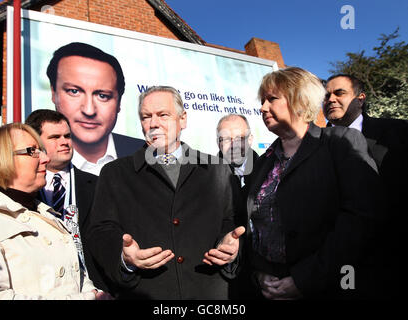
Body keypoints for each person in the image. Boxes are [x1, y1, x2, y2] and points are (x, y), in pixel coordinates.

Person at [85, 86, 245, 299]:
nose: (153, 124)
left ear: (183, 119)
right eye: (146, 117)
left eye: (163, 115)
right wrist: (124, 258)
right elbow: (101, 230)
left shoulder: (218, 169)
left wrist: (232, 248)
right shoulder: (115, 174)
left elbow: (234, 222)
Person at [243, 67, 382, 299]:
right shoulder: (264, 161)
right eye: (262, 101)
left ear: (299, 100)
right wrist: (259, 273)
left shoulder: (339, 142)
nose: (262, 107)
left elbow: (360, 218)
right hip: (270, 289)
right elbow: (252, 225)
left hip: (327, 287)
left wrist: (304, 279)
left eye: (272, 99)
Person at [0, 123, 107, 299]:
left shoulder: (47, 215)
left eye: (42, 150)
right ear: (1, 157)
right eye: (32, 151)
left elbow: (78, 276)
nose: (45, 158)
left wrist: (95, 293)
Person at [323, 74, 408, 298]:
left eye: (339, 92)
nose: (330, 99)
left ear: (360, 98)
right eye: (326, 95)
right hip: (336, 269)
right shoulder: (311, 147)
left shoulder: (398, 133)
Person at [25, 109, 108, 292]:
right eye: (55, 137)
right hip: (41, 289)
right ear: (36, 143)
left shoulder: (98, 185)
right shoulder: (21, 191)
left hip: (92, 288)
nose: (64, 142)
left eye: (67, 136)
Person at [46, 42, 145, 176]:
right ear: (54, 93)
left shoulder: (146, 154)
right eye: (74, 91)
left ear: (119, 102)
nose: (89, 110)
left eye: (102, 96)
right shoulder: (34, 158)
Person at [216, 114, 259, 188]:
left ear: (250, 140)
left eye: (239, 138)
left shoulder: (266, 173)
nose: (234, 146)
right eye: (226, 139)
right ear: (219, 143)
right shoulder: (209, 177)